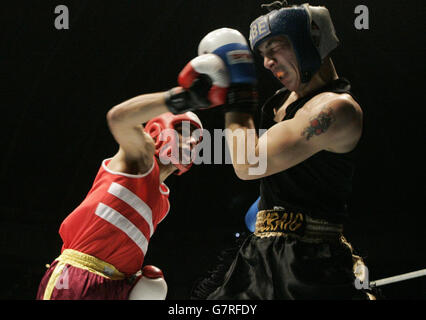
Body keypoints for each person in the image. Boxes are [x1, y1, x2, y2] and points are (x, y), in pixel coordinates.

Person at [186, 1, 373, 299]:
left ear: (310, 40)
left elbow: (249, 164)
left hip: (310, 263)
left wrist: (239, 91)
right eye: (262, 54)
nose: (267, 62)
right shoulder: (278, 102)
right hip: (261, 251)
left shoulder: (337, 110)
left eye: (275, 47)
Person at [35, 55, 228, 299]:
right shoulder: (139, 160)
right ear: (157, 130)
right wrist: (183, 98)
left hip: (115, 286)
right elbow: (119, 118)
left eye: (197, 140)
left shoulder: (163, 203)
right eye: (183, 131)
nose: (192, 141)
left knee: (154, 286)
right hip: (77, 276)